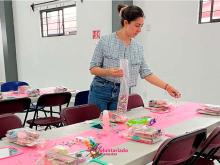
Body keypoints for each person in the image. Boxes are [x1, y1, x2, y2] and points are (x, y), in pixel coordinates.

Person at [88, 4, 181, 112]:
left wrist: (167, 87)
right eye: (137, 25)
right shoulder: (105, 41)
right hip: (100, 91)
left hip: (122, 93)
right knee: (98, 125)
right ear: (126, 22)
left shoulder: (138, 48)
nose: (140, 30)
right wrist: (109, 72)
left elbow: (146, 73)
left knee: (118, 126)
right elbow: (93, 68)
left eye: (141, 26)